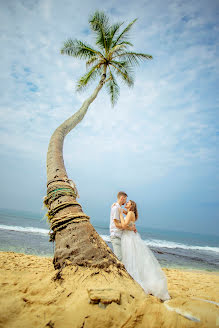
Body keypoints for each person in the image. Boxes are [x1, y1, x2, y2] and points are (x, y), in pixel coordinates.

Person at [115, 200, 170, 301]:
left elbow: (124, 225)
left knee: (130, 258)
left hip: (129, 238)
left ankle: (134, 281)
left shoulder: (130, 213)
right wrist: (119, 208)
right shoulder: (131, 213)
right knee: (134, 258)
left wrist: (120, 215)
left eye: (128, 203)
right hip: (131, 236)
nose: (126, 203)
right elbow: (129, 220)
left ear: (131, 206)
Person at [110, 191, 136, 261]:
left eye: (128, 202)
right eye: (126, 199)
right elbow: (117, 224)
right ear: (122, 198)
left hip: (121, 236)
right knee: (119, 258)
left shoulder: (119, 208)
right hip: (116, 235)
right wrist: (130, 228)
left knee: (122, 258)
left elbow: (128, 214)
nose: (126, 201)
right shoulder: (116, 208)